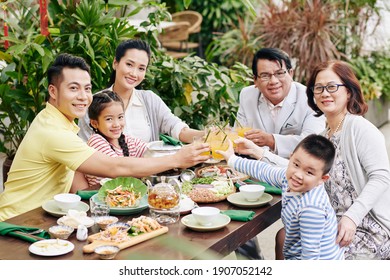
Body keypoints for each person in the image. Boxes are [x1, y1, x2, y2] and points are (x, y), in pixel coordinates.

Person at [0, 53, 209, 222]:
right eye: (73, 88)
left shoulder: (56, 121)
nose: (83, 96)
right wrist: (177, 159)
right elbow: (114, 167)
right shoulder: (52, 132)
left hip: (42, 217)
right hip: (16, 223)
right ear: (53, 92)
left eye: (87, 88)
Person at [304, 60, 390, 259]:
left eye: (332, 86)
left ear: (349, 92)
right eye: (319, 88)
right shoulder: (323, 136)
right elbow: (299, 167)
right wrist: (259, 153)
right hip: (332, 224)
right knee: (286, 238)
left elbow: (382, 177)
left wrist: (351, 217)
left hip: (368, 226)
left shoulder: (359, 128)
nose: (325, 93)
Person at [218, 134, 345, 259]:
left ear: (322, 179)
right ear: (291, 159)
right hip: (297, 249)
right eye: (296, 164)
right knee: (282, 236)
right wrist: (232, 159)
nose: (298, 175)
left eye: (309, 172)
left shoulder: (311, 208)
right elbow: (264, 170)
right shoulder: (287, 177)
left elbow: (310, 256)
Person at [77, 39, 203, 143]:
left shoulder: (149, 100)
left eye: (141, 68)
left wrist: (207, 135)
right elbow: (85, 153)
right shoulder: (92, 104)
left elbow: (178, 129)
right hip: (108, 173)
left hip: (149, 172)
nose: (134, 73)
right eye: (129, 65)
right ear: (115, 63)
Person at [235, 47, 325, 158]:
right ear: (255, 80)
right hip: (253, 168)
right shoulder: (247, 95)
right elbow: (238, 136)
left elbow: (314, 144)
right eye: (265, 75)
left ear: (291, 74)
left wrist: (271, 140)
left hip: (295, 170)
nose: (273, 81)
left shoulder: (309, 98)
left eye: (279, 73)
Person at [78, 90, 148, 188]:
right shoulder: (96, 141)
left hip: (126, 197)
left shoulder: (127, 141)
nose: (116, 124)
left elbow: (150, 151)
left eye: (120, 117)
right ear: (94, 123)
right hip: (103, 198)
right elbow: (121, 169)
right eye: (109, 119)